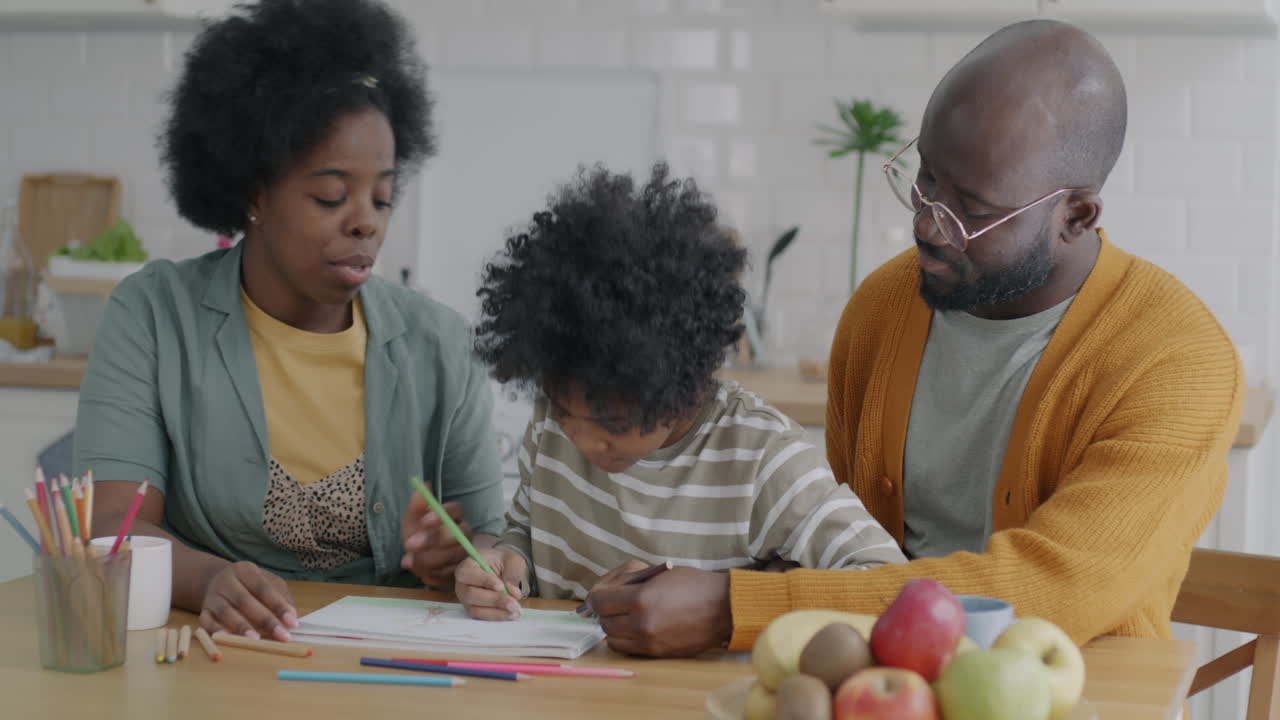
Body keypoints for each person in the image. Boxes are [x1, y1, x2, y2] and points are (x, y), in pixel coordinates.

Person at [585, 20, 1244, 657]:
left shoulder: (1178, 361)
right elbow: (841, 544)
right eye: (926, 178)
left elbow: (1052, 592)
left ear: (1075, 214)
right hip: (884, 691)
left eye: (974, 211)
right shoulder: (881, 310)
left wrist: (736, 608)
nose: (930, 224)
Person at [75, 0, 507, 643]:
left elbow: (493, 540)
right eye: (331, 196)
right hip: (215, 659)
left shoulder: (440, 343)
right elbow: (114, 521)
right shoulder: (154, 315)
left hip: (397, 670)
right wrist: (210, 580)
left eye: (382, 197)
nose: (367, 221)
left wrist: (467, 565)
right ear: (254, 191)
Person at [452, 164, 906, 628]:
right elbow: (528, 529)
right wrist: (508, 561)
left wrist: (730, 601)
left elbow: (891, 585)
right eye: (567, 412)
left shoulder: (761, 459)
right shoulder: (553, 424)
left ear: (682, 379)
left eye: (611, 423)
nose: (583, 440)